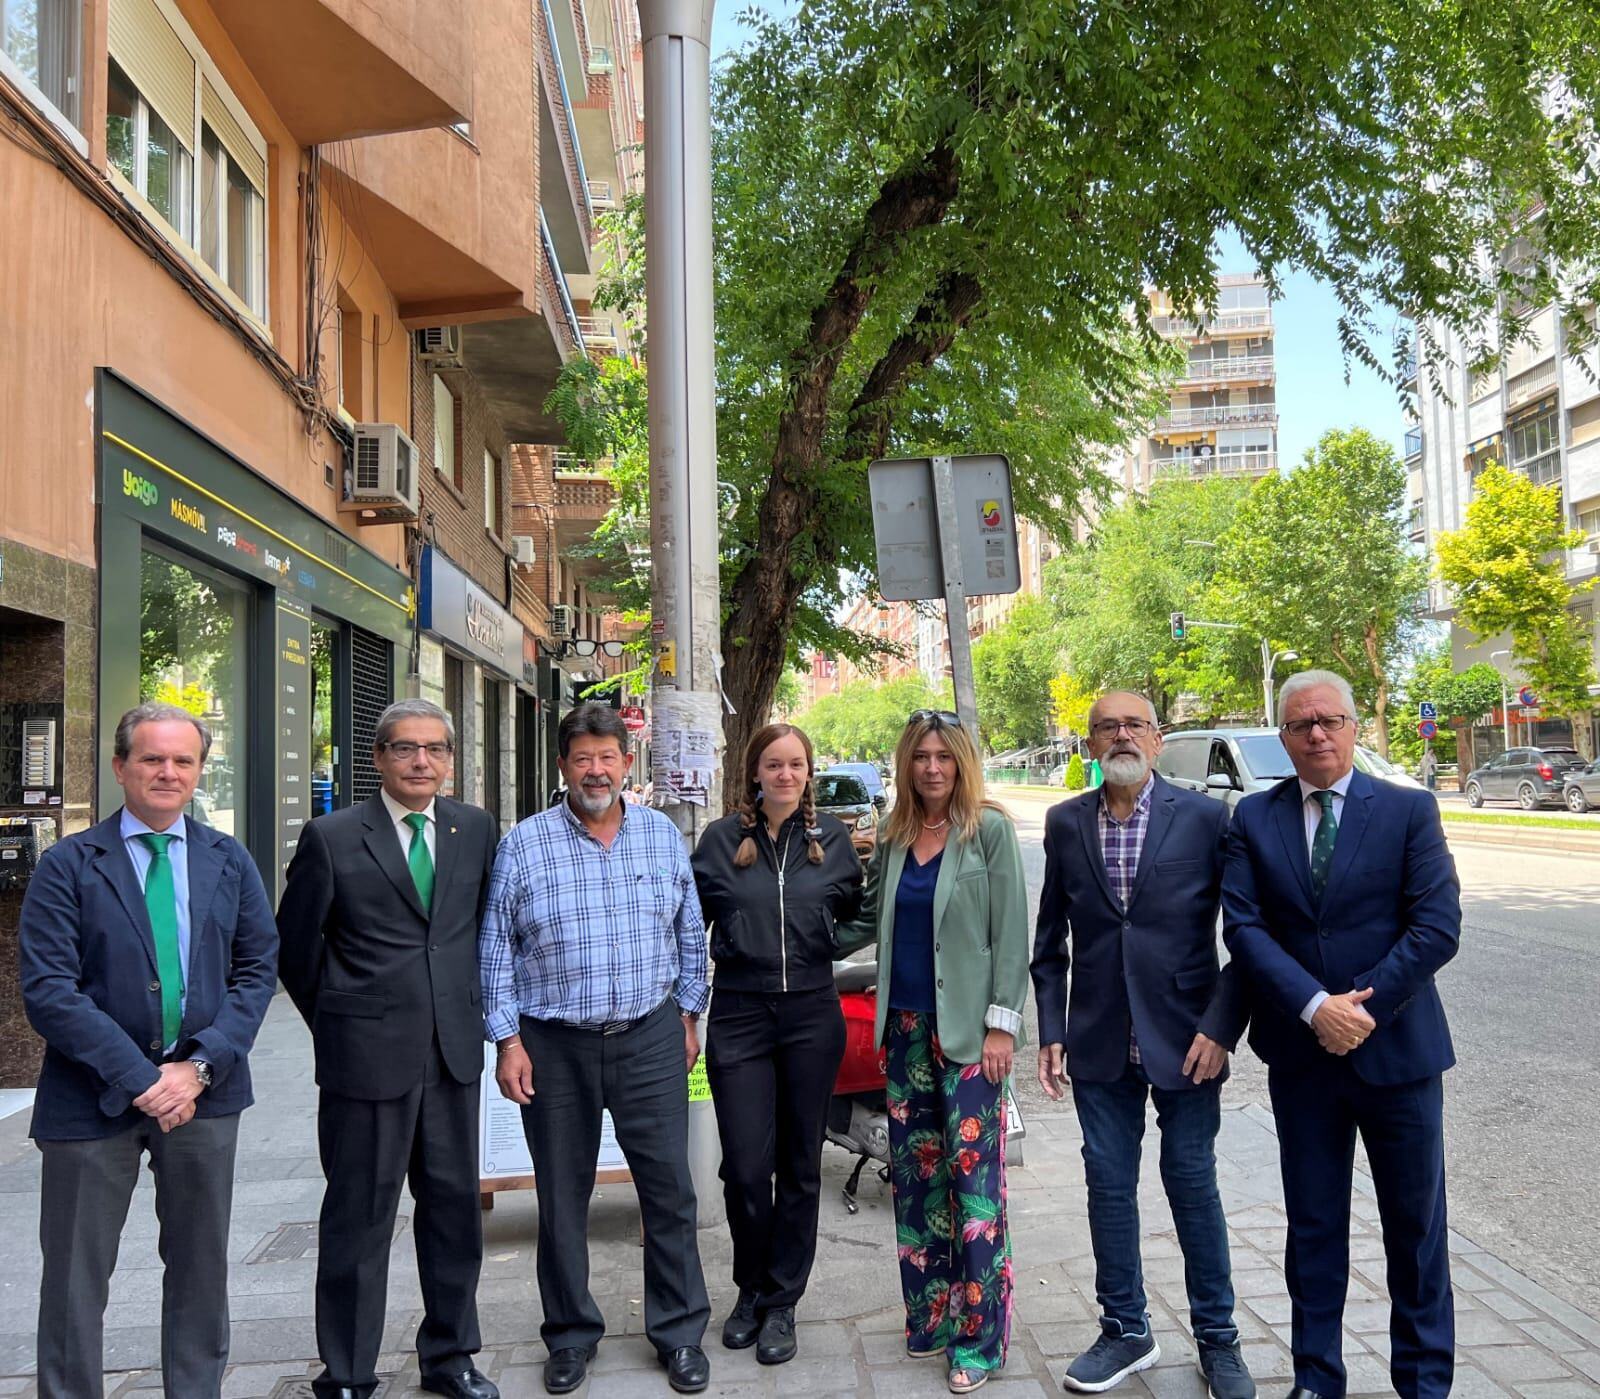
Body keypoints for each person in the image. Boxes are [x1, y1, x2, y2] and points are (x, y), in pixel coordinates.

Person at [19, 702, 279, 1399]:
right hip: (88, 1099)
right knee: (75, 1277)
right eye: (152, 759)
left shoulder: (230, 859)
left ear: (199, 770)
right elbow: (49, 990)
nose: (168, 772)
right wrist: (144, 1078)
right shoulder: (69, 864)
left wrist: (197, 1067)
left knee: (199, 1268)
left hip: (206, 1093)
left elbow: (257, 970)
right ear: (120, 767)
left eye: (183, 760)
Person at [1223, 670, 1461, 1399]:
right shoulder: (1252, 819)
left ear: (1355, 727)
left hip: (1399, 1054)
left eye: (1329, 720)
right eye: (1300, 725)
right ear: (1284, 738)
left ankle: (1423, 1381)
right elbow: (1245, 927)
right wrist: (1313, 1006)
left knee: (1415, 1230)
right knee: (1315, 1226)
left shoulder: (1409, 810)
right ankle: (1316, 1376)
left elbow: (1437, 925)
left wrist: (1361, 1008)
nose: (1317, 734)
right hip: (1304, 1060)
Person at [481, 703, 712, 1397]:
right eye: (582, 757)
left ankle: (678, 1333)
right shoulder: (522, 844)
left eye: (607, 756)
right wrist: (507, 1040)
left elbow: (690, 929)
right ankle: (571, 1335)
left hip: (648, 1035)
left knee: (669, 1190)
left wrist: (691, 1011)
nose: (595, 769)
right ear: (562, 765)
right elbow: (495, 948)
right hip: (553, 1045)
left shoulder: (661, 837)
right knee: (560, 1195)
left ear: (626, 762)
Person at [1031, 692, 1254, 1399]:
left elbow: (1243, 936)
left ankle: (1218, 1340)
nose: (1120, 734)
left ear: (1157, 740)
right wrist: (1052, 1029)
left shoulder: (1206, 818)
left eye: (1134, 724)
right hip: (1098, 1036)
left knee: (1192, 1183)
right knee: (1107, 1183)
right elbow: (1049, 944)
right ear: (1090, 743)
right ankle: (1125, 1327)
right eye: (1106, 726)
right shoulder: (1065, 822)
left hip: (1189, 1036)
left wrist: (1221, 1025)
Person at [277, 699, 501, 1399]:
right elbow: (294, 951)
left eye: (435, 749)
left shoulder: (475, 829)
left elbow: (474, 931)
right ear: (378, 758)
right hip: (365, 1062)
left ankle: (451, 1355)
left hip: (453, 1058)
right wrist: (344, 1020)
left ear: (451, 759)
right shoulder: (333, 835)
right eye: (405, 749)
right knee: (359, 1216)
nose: (421, 762)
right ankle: (345, 1371)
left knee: (455, 1211)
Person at [836, 710, 1028, 1395]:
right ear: (906, 763)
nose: (933, 768)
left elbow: (1011, 935)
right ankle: (933, 1316)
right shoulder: (894, 836)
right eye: (921, 756)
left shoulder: (991, 831)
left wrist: (1004, 1026)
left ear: (962, 762)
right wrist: (790, 920)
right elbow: (861, 920)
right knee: (916, 1182)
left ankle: (981, 1337)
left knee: (974, 1190)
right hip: (906, 1034)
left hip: (972, 1037)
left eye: (944, 756)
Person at [690, 723, 864, 1365]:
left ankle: (782, 1301)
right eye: (774, 764)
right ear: (755, 773)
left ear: (807, 773)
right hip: (738, 1013)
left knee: (799, 1163)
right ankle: (751, 1286)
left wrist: (821, 942)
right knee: (742, 1166)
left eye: (796, 765)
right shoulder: (721, 840)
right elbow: (690, 922)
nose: (785, 775)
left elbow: (861, 910)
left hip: (813, 1016)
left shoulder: (833, 840)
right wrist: (689, 1004)